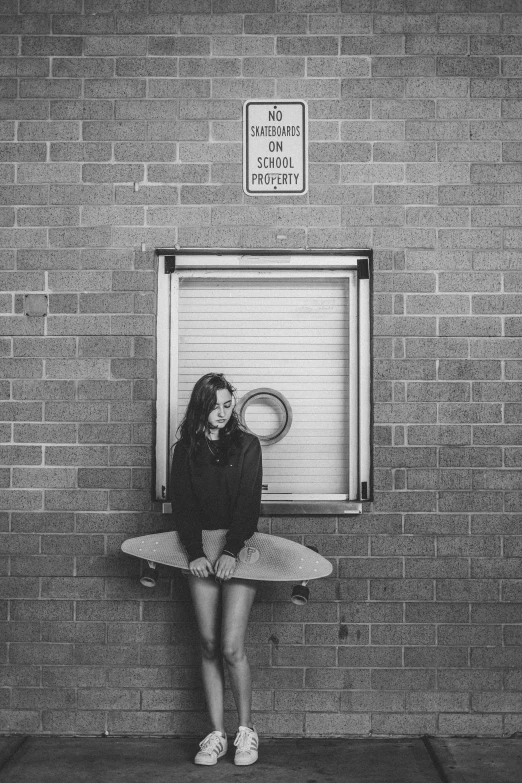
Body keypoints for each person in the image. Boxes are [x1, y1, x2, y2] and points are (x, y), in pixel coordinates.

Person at [169, 373, 262, 767]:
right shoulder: (184, 449)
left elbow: (248, 503)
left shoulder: (247, 445)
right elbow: (183, 504)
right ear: (200, 406)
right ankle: (216, 735)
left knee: (230, 646)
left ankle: (246, 733)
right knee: (207, 644)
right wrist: (194, 551)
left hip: (239, 549)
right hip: (199, 552)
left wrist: (232, 550)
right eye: (214, 405)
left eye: (228, 405)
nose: (222, 413)